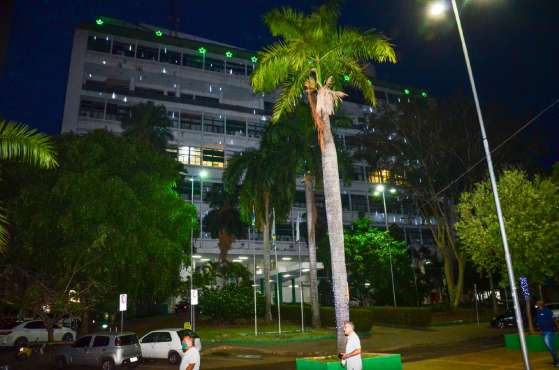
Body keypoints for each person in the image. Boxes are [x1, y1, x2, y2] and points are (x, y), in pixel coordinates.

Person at [535, 300, 559, 367]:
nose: (536, 304)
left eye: (538, 303)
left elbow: (554, 320)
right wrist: (540, 330)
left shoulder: (548, 311)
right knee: (550, 347)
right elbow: (539, 322)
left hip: (549, 331)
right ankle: (556, 361)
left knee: (550, 347)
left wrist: (558, 328)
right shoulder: (538, 311)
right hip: (544, 331)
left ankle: (557, 362)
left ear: (541, 304)